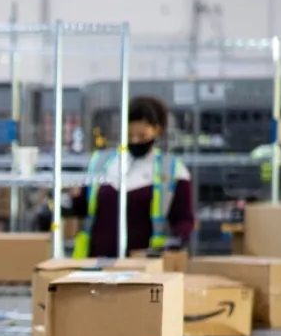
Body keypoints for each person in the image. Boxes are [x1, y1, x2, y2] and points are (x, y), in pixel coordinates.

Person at [73, 95, 194, 259]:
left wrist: (177, 241)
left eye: (142, 135)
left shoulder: (172, 170)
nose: (135, 140)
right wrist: (71, 197)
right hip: (97, 261)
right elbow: (84, 206)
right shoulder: (101, 162)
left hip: (145, 265)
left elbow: (183, 219)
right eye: (130, 135)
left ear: (157, 130)